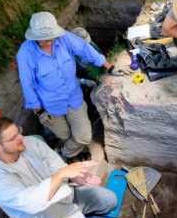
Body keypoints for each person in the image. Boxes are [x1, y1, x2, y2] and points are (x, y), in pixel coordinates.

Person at [0, 117, 117, 218]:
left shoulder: (31, 143)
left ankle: (80, 215)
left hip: (66, 196)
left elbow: (57, 166)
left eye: (18, 132)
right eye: (13, 138)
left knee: (110, 200)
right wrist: (61, 175)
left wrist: (75, 178)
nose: (21, 138)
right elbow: (31, 203)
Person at [17, 12, 131, 163]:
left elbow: (86, 49)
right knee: (65, 135)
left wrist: (110, 68)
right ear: (34, 37)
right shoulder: (26, 53)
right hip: (50, 105)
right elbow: (27, 83)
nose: (49, 43)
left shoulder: (63, 38)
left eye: (51, 38)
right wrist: (39, 111)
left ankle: (65, 154)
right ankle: (79, 151)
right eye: (43, 41)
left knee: (83, 135)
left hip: (73, 97)